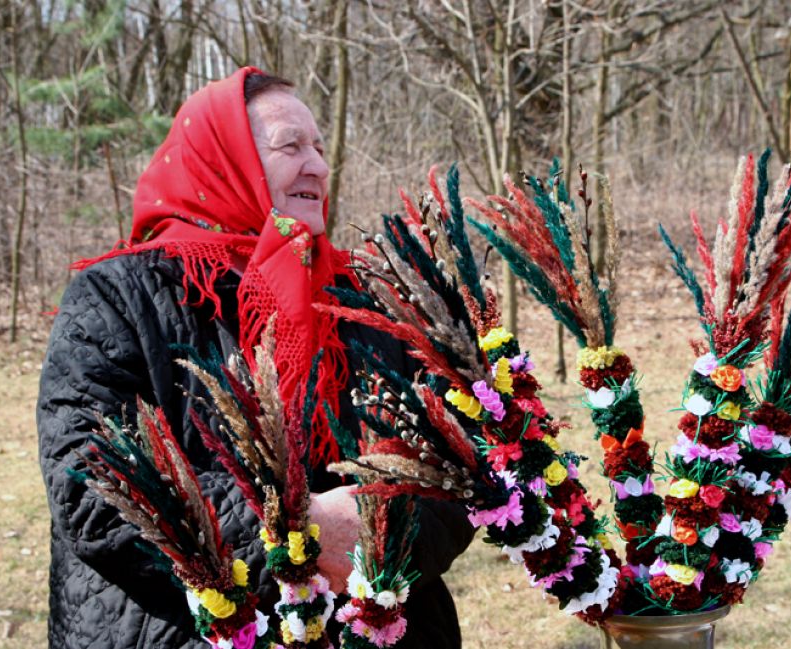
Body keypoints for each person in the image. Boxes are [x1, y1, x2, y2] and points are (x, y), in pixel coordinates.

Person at [37, 67, 474, 649]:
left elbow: (456, 458)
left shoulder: (362, 296)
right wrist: (296, 535)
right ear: (223, 160)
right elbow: (90, 485)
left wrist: (379, 535)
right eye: (289, 146)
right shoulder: (119, 297)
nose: (318, 165)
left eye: (319, 146)